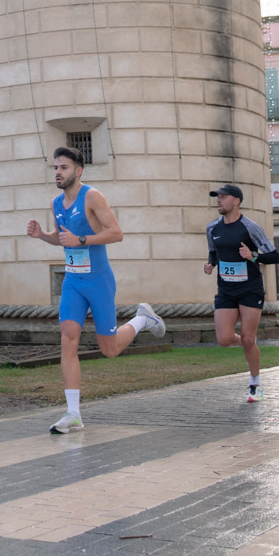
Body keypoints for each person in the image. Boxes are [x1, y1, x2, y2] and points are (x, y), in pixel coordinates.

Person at [26, 147, 165, 434]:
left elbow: (116, 233)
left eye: (63, 167)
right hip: (73, 282)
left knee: (109, 349)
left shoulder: (92, 196)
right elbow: (63, 238)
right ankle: (73, 413)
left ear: (78, 171)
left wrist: (82, 239)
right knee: (68, 338)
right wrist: (43, 236)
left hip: (98, 281)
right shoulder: (56, 203)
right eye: (55, 167)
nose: (57, 172)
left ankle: (142, 319)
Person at [204, 184, 279, 399]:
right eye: (217, 197)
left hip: (250, 289)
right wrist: (210, 265)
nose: (218, 201)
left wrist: (253, 256)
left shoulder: (250, 227)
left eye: (223, 197)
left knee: (248, 338)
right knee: (224, 339)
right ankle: (248, 342)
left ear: (236, 201)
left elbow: (274, 256)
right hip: (226, 289)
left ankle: (255, 383)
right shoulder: (212, 228)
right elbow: (214, 252)